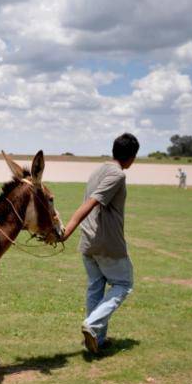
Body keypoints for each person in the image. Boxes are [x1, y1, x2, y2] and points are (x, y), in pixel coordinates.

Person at [60, 133, 140, 354]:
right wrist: (67, 230)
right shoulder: (117, 175)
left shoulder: (98, 170)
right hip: (107, 243)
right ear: (132, 157)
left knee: (95, 287)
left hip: (88, 242)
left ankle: (97, 340)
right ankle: (93, 325)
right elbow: (92, 202)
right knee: (124, 284)